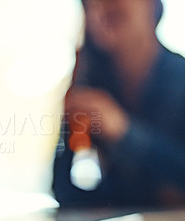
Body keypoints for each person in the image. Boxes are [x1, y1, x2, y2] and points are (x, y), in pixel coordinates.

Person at [53, 0, 185, 208]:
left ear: (151, 5)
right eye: (89, 4)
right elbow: (64, 192)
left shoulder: (180, 78)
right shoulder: (94, 83)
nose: (100, 6)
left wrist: (122, 131)